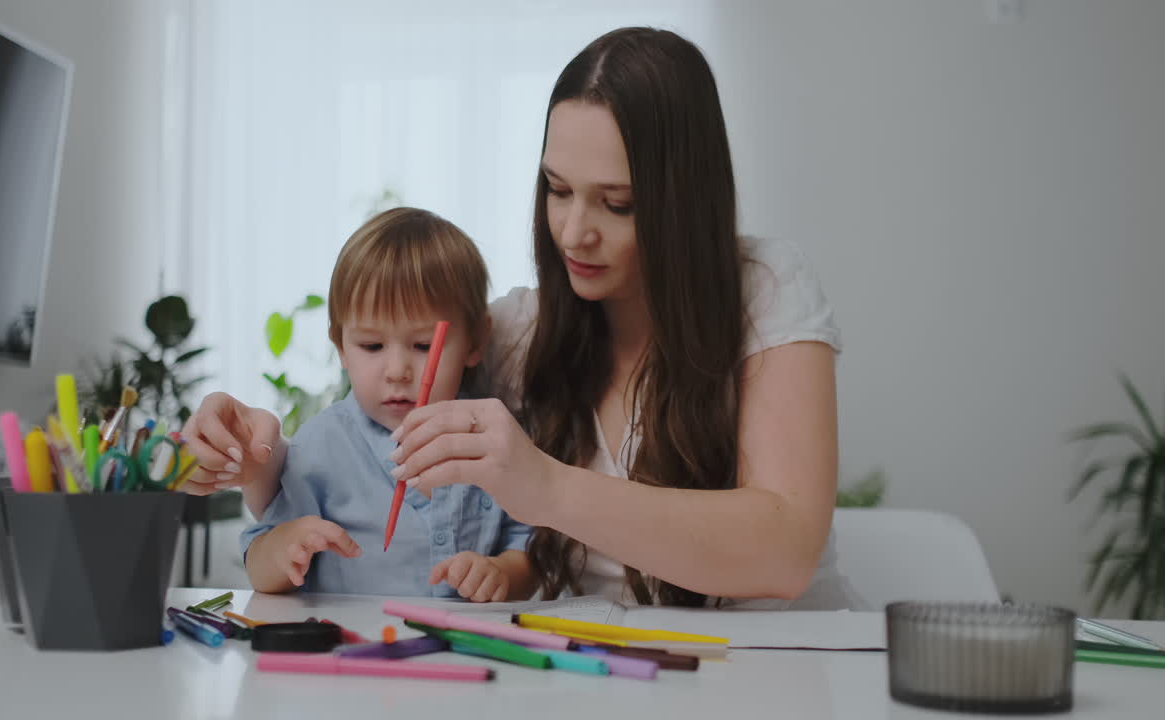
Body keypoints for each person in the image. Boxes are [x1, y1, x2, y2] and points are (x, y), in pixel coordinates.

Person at [184, 27, 861, 609]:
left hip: (780, 664)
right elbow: (368, 409)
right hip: (597, 668)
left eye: (617, 204)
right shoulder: (516, 335)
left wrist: (548, 488)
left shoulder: (764, 289)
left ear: (683, 202)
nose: (572, 232)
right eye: (557, 190)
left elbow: (786, 551)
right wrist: (255, 450)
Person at [218, 207, 534, 601]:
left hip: (462, 640)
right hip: (349, 640)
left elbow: (528, 552)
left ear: (475, 341)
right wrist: (284, 548)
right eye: (371, 346)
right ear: (341, 347)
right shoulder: (324, 444)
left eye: (423, 346)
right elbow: (259, 565)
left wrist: (501, 572)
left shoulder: (494, 438)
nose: (397, 371)